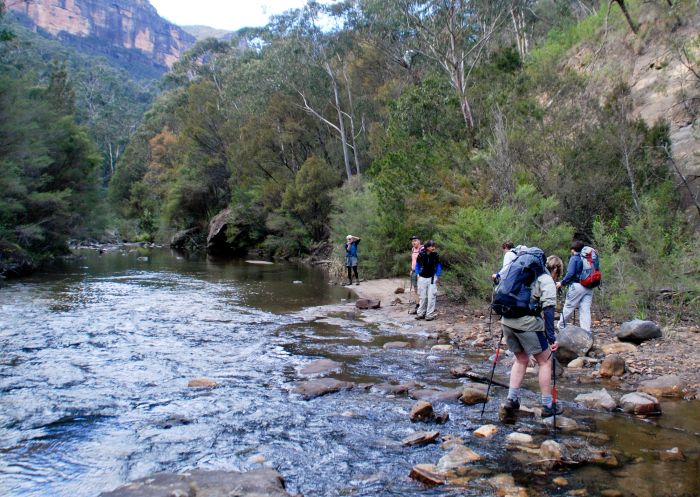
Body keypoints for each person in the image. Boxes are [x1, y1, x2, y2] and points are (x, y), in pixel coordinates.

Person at [501, 253, 561, 418]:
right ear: (555, 270)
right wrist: (551, 338)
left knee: (521, 359)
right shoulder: (546, 280)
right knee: (545, 360)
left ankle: (511, 399)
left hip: (506, 321)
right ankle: (548, 404)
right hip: (525, 324)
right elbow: (548, 309)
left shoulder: (521, 273)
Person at [556, 240, 592, 331]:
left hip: (577, 286)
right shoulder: (588, 258)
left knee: (569, 306)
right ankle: (586, 331)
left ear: (573, 250)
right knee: (585, 310)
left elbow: (570, 273)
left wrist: (562, 283)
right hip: (589, 287)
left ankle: (561, 327)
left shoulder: (574, 258)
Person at [414, 240, 441, 321]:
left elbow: (438, 265)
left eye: (434, 246)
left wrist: (438, 275)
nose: (433, 248)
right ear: (427, 247)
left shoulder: (436, 255)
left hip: (432, 278)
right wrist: (418, 274)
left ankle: (429, 315)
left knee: (431, 297)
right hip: (422, 278)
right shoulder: (421, 255)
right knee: (422, 296)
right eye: (432, 246)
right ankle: (421, 313)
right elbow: (417, 265)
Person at [408, 235, 421, 314]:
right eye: (412, 241)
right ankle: (417, 306)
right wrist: (411, 269)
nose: (413, 242)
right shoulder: (413, 249)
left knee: (421, 289)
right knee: (415, 289)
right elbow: (413, 261)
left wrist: (419, 272)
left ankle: (422, 307)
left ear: (419, 241)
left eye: (415, 240)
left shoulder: (422, 249)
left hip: (420, 272)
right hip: (413, 271)